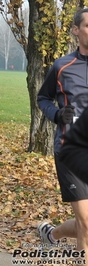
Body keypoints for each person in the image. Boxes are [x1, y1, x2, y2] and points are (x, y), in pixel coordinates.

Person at [37, 8, 88, 262]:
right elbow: (43, 98)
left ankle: (51, 235)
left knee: (86, 223)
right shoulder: (62, 66)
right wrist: (57, 115)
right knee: (86, 222)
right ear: (76, 31)